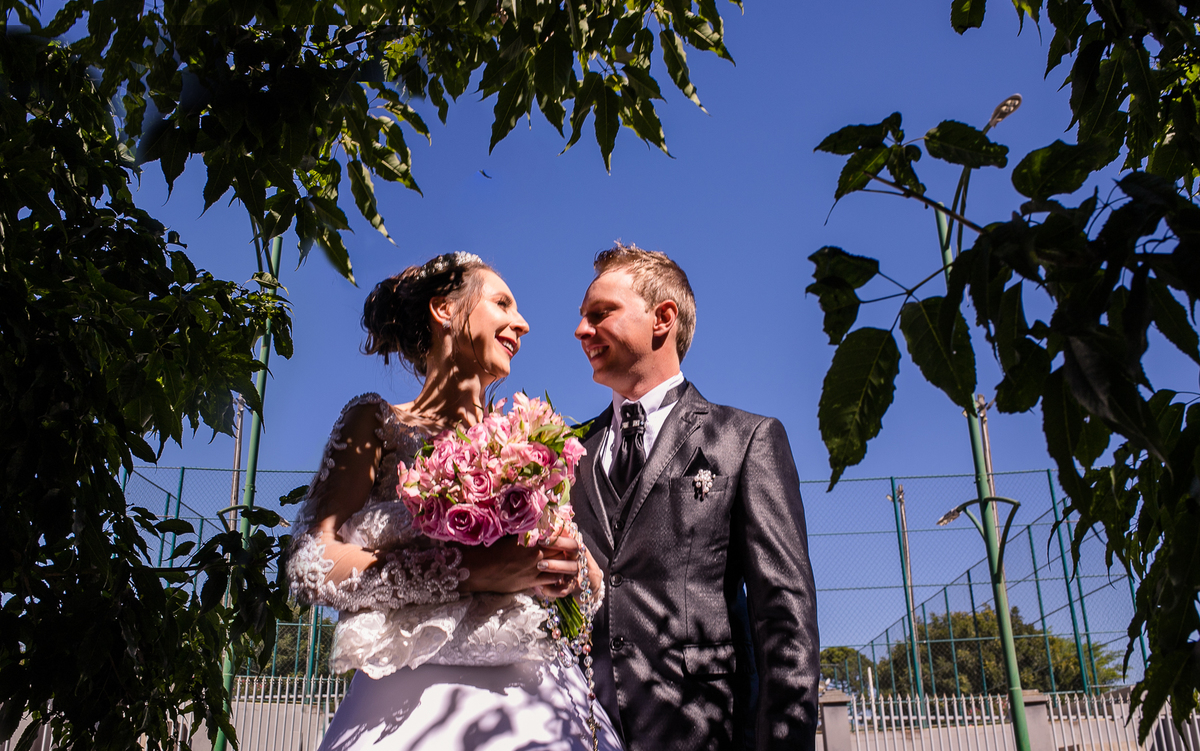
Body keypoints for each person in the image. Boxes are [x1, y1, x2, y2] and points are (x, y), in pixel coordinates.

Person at [286, 251, 623, 751]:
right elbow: (310, 562)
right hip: (409, 704)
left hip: (538, 697)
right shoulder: (375, 423)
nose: (523, 324)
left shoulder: (531, 441)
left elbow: (588, 583)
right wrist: (472, 571)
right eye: (503, 303)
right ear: (444, 309)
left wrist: (571, 570)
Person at [570, 243, 819, 751]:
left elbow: (783, 617)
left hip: (705, 733)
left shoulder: (746, 440)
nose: (581, 330)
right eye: (582, 317)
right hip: (581, 730)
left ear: (663, 318)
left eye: (600, 314)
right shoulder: (567, 454)